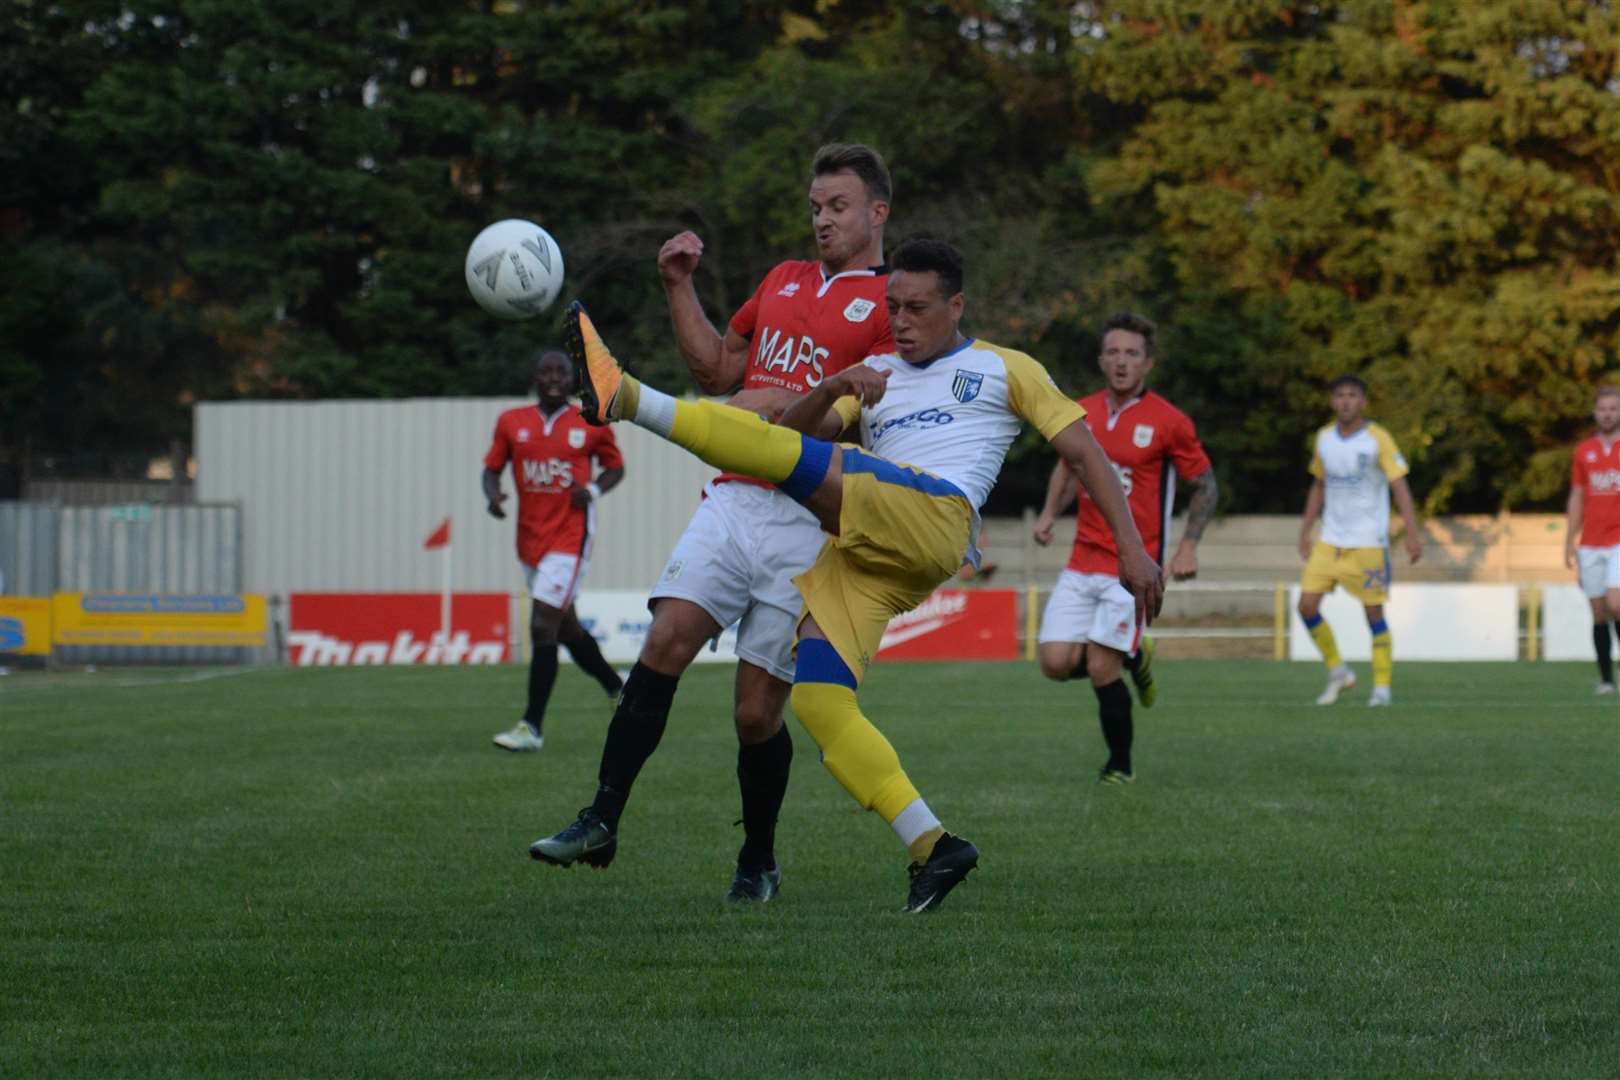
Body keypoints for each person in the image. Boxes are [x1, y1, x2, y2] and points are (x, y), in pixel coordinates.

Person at [537, 237, 1164, 912]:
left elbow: (1084, 450)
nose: (901, 320)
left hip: (933, 511)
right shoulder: (877, 370)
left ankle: (625, 395)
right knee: (818, 702)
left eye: (918, 307)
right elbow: (798, 438)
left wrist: (1132, 548)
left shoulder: (1005, 368)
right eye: (892, 306)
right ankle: (934, 845)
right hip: (872, 549)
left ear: (956, 305)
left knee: (787, 464)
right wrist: (833, 385)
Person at [528, 144, 897, 903]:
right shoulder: (782, 280)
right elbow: (718, 371)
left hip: (809, 520)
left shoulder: (898, 304)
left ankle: (757, 858)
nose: (822, 219)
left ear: (876, 213)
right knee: (664, 640)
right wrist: (678, 288)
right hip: (734, 497)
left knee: (756, 715)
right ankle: (601, 816)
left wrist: (755, 409)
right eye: (815, 207)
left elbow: (825, 424)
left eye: (838, 207)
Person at [1031, 312, 1217, 783]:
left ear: (1148, 364)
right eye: (1113, 352)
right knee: (1054, 663)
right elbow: (1069, 466)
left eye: (1131, 353)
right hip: (1081, 561)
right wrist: (1051, 512)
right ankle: (1136, 655)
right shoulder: (1081, 411)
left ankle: (1120, 767)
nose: (1121, 362)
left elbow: (1206, 486)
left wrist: (1190, 546)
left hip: (1135, 567)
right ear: (1100, 359)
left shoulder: (1170, 421)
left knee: (1098, 664)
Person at [483, 349, 626, 751]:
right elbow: (491, 469)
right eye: (545, 370)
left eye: (560, 372)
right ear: (534, 375)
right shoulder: (512, 422)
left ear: (571, 379)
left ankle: (532, 727)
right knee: (566, 629)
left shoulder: (590, 421)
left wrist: (594, 490)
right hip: (530, 539)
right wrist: (492, 496)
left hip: (570, 537)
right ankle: (619, 688)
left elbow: (616, 467)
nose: (552, 378)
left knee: (541, 625)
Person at [1296, 374, 1422, 707]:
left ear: (1363, 402)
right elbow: (1318, 484)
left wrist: (1411, 532)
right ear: (1332, 401)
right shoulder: (1324, 438)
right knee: (1306, 606)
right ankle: (1338, 671)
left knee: (1374, 613)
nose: (1346, 401)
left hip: (1368, 544)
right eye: (1340, 395)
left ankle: (1382, 687)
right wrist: (1306, 529)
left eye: (1352, 395)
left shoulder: (1378, 439)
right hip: (1330, 541)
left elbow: (1399, 485)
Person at [1563, 386, 1620, 694]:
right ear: (1596, 413)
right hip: (1591, 542)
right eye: (1603, 409)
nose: (1608, 414)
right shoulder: (1583, 451)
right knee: (1599, 612)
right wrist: (1569, 540)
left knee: (1616, 603)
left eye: (1614, 408)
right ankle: (1607, 680)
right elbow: (1577, 494)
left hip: (1619, 540)